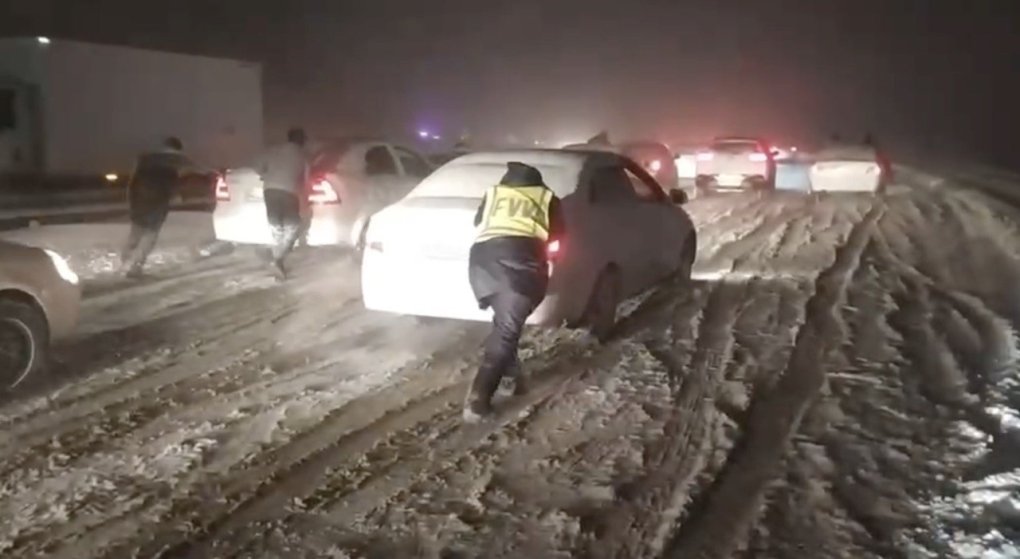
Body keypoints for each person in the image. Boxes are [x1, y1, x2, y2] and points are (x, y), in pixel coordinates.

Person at [464, 161, 566, 421]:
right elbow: (558, 235)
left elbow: (478, 221)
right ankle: (478, 399)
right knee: (507, 331)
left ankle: (512, 380)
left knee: (504, 323)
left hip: (482, 262)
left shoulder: (495, 193)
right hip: (520, 264)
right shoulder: (546, 198)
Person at [121, 136, 200, 278]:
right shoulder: (172, 165)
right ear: (177, 150)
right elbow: (173, 187)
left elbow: (133, 182)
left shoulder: (146, 160)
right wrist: (178, 195)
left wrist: (131, 199)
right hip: (157, 204)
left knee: (135, 233)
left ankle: (123, 261)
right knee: (150, 236)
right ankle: (135, 267)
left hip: (138, 201)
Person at [256, 127, 309, 280]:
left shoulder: (274, 151)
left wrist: (265, 175)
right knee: (292, 226)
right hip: (288, 191)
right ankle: (277, 258)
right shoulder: (302, 156)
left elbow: (258, 166)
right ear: (301, 140)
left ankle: (276, 256)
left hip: (269, 190)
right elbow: (306, 180)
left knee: (276, 225)